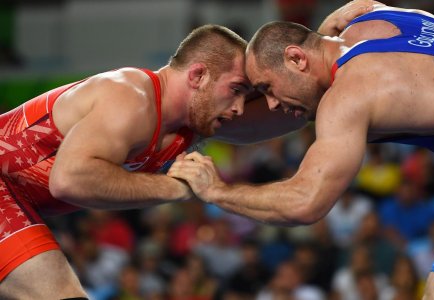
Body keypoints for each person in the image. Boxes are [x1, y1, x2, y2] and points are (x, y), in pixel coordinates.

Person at [0, 1, 377, 297]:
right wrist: (180, 188)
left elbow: (290, 111)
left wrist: (322, 49)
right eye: (236, 91)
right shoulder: (130, 96)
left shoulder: (189, 124)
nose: (239, 109)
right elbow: (71, 179)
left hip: (19, 200)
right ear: (197, 76)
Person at [168, 3, 434, 300]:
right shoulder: (373, 18)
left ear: (297, 58)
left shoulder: (348, 95)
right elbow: (356, 8)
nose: (271, 104)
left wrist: (217, 191)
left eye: (268, 88)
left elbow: (305, 203)